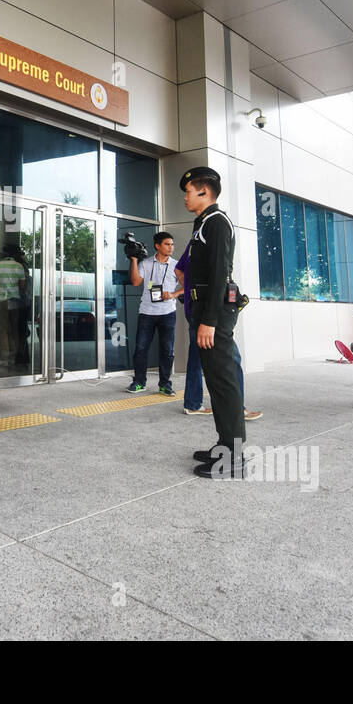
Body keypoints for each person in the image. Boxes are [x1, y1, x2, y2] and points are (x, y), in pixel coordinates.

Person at [179, 167, 248, 480]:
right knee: (216, 381)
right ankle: (225, 444)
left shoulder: (216, 223)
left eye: (189, 191)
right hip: (206, 311)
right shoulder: (203, 224)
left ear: (204, 192)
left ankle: (233, 457)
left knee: (223, 383)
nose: (185, 197)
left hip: (214, 315)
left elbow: (220, 273)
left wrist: (209, 321)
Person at [174, 252, 259, 421]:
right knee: (232, 359)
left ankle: (192, 403)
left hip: (197, 310)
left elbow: (179, 270)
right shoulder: (211, 238)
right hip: (209, 313)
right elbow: (182, 271)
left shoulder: (195, 243)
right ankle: (236, 408)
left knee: (197, 358)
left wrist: (192, 290)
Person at [127, 232, 182, 395]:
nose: (171, 247)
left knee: (167, 350)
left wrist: (172, 294)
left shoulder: (176, 265)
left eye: (172, 244)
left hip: (168, 312)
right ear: (157, 246)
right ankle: (139, 382)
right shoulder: (146, 263)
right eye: (167, 244)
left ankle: (165, 384)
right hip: (147, 312)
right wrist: (135, 261)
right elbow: (136, 282)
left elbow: (187, 285)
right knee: (141, 349)